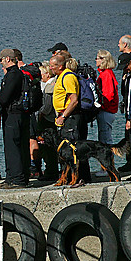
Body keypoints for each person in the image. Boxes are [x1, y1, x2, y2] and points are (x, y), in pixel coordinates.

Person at [51, 52, 90, 185]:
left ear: (60, 66)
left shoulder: (67, 77)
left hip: (71, 117)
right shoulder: (60, 76)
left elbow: (74, 101)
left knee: (73, 148)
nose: (50, 68)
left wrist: (63, 116)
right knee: (66, 149)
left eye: (53, 66)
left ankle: (80, 177)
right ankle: (67, 177)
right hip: (65, 116)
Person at [0, 48, 29, 189]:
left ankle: (17, 179)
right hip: (19, 114)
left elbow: (4, 98)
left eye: (2, 60)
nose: (1, 63)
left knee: (13, 147)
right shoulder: (19, 74)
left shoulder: (13, 75)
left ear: (8, 59)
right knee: (17, 146)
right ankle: (12, 177)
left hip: (13, 114)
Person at [116, 35, 131, 174]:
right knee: (128, 133)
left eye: (119, 43)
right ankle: (130, 160)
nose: (118, 46)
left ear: (125, 45)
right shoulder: (127, 59)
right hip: (127, 102)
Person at [95, 50, 120, 144]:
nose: (96, 60)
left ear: (103, 60)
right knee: (105, 138)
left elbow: (108, 95)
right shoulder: (106, 73)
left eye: (97, 58)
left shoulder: (106, 74)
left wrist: (101, 106)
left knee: (105, 140)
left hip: (106, 111)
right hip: (108, 110)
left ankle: (109, 158)